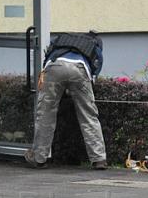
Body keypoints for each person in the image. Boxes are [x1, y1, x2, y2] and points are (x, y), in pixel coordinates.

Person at [25, 31, 107, 169]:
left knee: (45, 114)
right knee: (88, 115)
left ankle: (38, 158)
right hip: (79, 68)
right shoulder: (94, 43)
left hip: (54, 66)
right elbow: (95, 68)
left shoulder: (60, 40)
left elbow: (47, 57)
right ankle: (99, 159)